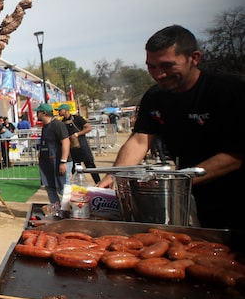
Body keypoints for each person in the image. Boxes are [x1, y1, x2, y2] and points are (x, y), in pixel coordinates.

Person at [99, 25, 245, 230]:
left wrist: (178, 182)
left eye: (167, 66)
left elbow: (235, 155)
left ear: (194, 58)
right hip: (193, 195)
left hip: (235, 193)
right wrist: (114, 175)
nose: (159, 75)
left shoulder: (228, 91)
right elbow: (141, 140)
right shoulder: (155, 96)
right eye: (151, 67)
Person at [35, 103, 71, 212]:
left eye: (38, 113)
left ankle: (69, 211)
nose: (37, 114)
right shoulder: (45, 127)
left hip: (60, 161)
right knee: (50, 187)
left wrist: (63, 161)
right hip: (48, 163)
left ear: (44, 113)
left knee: (62, 188)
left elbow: (66, 142)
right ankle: (57, 210)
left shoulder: (57, 125)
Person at [57, 103, 100, 183]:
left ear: (66, 110)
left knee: (91, 167)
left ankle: (99, 183)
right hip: (72, 150)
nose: (58, 112)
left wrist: (77, 134)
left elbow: (88, 128)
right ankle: (79, 186)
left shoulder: (77, 119)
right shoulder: (62, 122)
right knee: (75, 170)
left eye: (60, 110)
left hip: (83, 147)